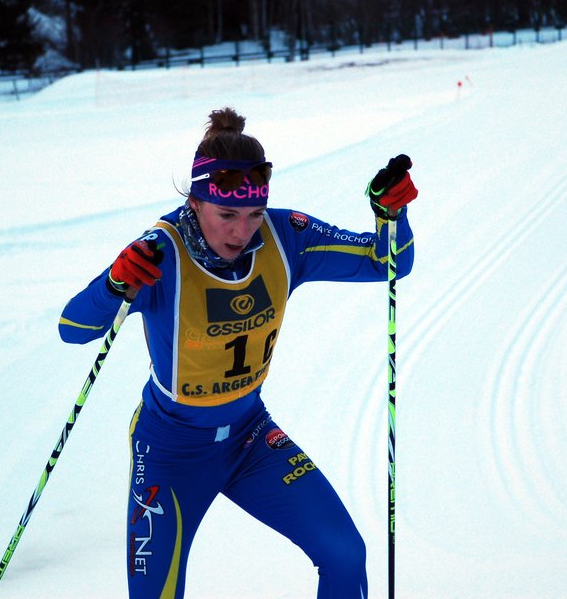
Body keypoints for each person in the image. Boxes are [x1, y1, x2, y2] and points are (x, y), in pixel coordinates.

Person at [58, 108, 418, 599]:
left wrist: (390, 215)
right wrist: (115, 283)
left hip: (250, 438)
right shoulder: (161, 253)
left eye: (252, 214)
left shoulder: (284, 235)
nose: (241, 231)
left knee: (345, 553)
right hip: (169, 452)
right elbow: (73, 328)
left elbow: (386, 263)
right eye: (226, 214)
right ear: (196, 200)